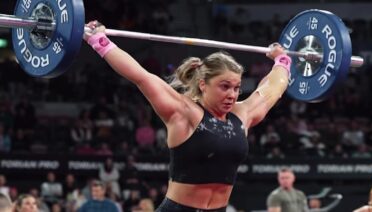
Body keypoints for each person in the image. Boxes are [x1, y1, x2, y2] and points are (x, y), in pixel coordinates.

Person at [84, 20, 291, 211]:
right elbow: (141, 76)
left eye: (236, 88)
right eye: (224, 86)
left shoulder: (242, 114)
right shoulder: (183, 112)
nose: (232, 94)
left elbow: (272, 89)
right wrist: (98, 41)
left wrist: (282, 60)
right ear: (203, 85)